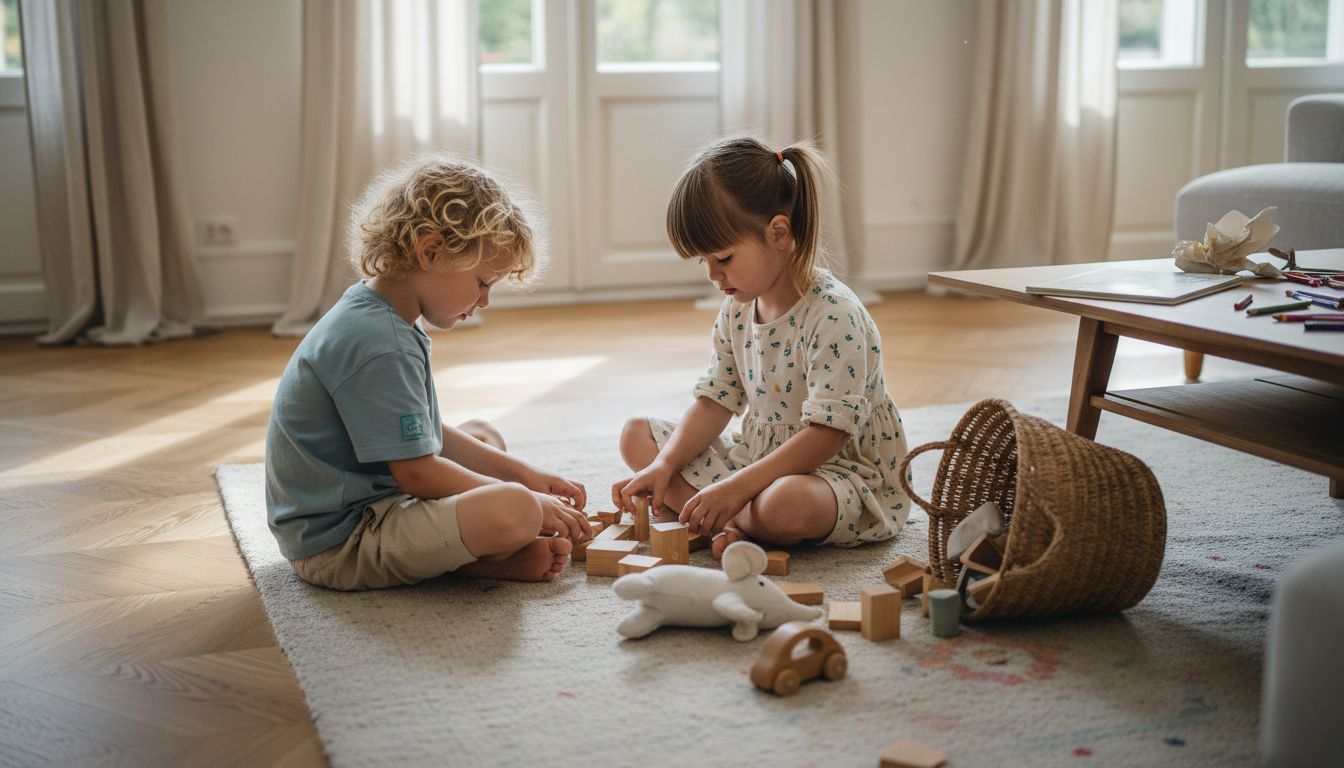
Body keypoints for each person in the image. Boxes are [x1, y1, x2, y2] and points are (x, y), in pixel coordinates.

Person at [265, 154, 590, 590]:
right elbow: (417, 473)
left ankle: (471, 556)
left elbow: (420, 433)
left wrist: (524, 473)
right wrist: (528, 498)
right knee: (515, 509)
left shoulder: (376, 311)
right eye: (482, 283)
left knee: (481, 434)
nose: (484, 302)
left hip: (369, 507)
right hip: (341, 544)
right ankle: (470, 561)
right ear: (431, 250)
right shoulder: (380, 343)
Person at [612, 137, 911, 558]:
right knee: (636, 436)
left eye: (724, 258)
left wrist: (738, 486)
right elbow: (716, 399)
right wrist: (664, 465)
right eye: (704, 263)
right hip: (758, 459)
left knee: (784, 505)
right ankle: (729, 518)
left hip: (836, 472)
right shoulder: (737, 307)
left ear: (779, 233)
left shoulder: (833, 315)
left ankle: (723, 514)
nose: (713, 276)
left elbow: (827, 436)